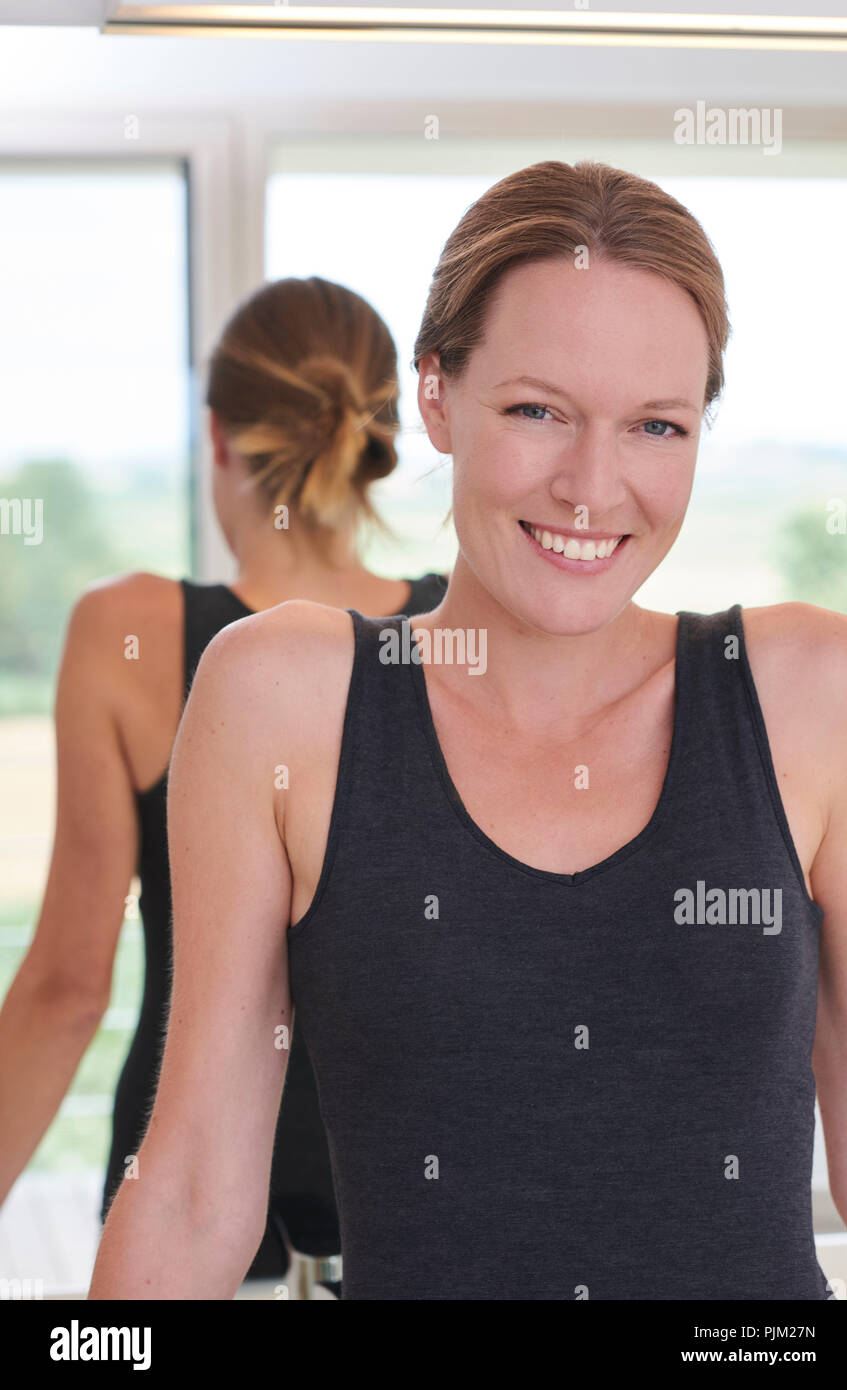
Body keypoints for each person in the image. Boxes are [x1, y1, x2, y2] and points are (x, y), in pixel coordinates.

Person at [88, 160, 847, 1300]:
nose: (591, 488)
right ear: (437, 395)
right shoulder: (283, 698)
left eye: (654, 424)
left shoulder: (811, 690)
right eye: (537, 411)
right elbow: (198, 1182)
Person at [0, 275, 447, 1294]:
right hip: (414, 1230)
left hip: (186, 1230)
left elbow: (68, 990)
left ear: (216, 439)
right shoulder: (461, 636)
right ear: (383, 434)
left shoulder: (128, 638)